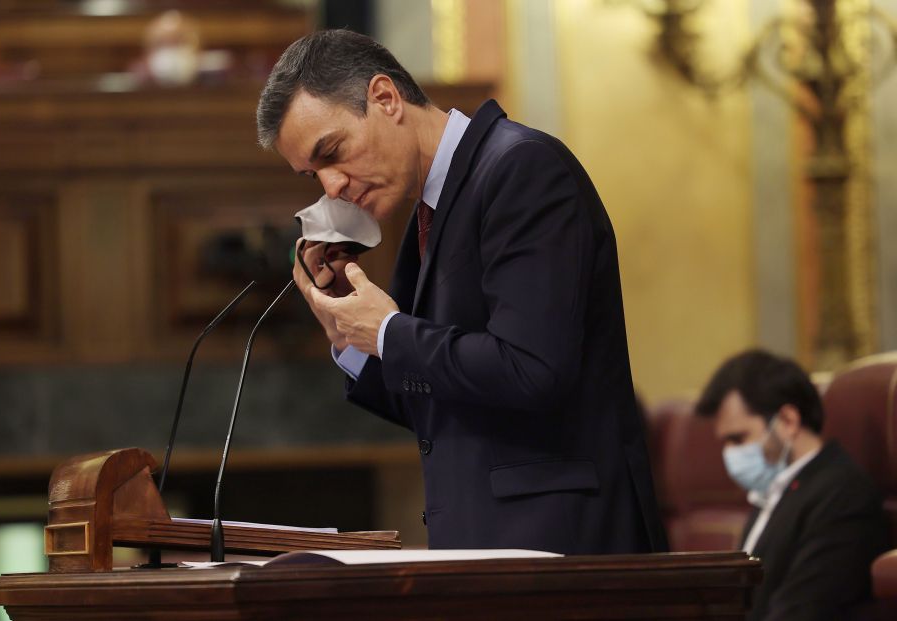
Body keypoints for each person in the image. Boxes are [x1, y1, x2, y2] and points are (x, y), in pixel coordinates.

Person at [256, 29, 666, 555]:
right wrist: (350, 336)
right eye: (314, 173)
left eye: (333, 152)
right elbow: (437, 406)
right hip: (489, 545)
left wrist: (389, 331)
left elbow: (532, 370)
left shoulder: (522, 168)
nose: (331, 186)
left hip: (562, 548)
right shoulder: (429, 209)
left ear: (385, 98)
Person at [696, 349, 888, 621]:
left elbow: (802, 610)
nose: (729, 454)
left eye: (738, 439)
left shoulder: (842, 494)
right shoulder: (776, 490)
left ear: (788, 421)